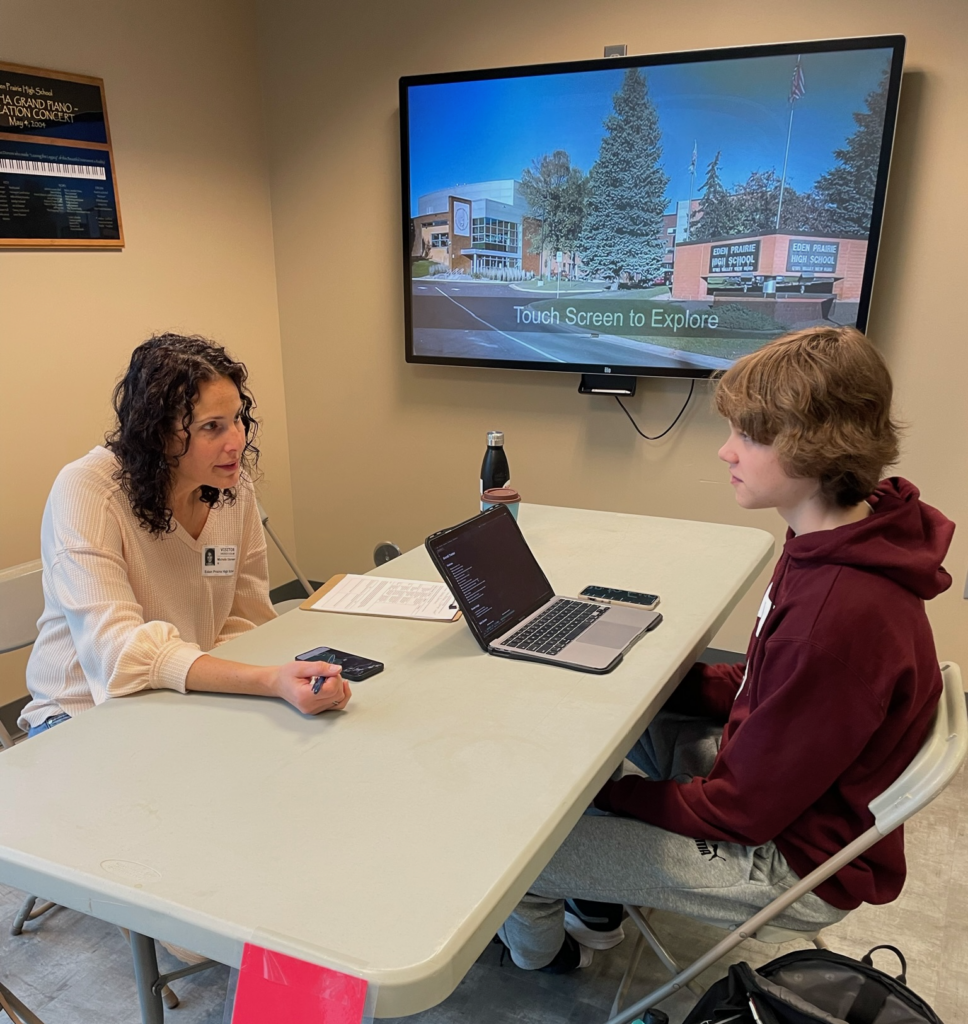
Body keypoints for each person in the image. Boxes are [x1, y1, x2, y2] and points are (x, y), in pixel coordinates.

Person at [498, 326, 955, 973]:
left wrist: (610, 799)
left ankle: (542, 960)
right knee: (642, 704)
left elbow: (739, 812)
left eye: (747, 435)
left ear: (812, 445)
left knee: (517, 851)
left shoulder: (838, 618)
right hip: (783, 796)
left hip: (787, 861)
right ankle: (602, 898)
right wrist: (659, 677)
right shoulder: (836, 537)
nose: (725, 452)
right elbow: (761, 688)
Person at [19, 333, 350, 736]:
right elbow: (118, 653)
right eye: (212, 427)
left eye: (237, 420)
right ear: (156, 432)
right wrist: (264, 682)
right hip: (80, 717)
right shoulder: (88, 490)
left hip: (184, 698)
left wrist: (266, 682)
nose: (237, 442)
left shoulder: (233, 488)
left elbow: (246, 618)